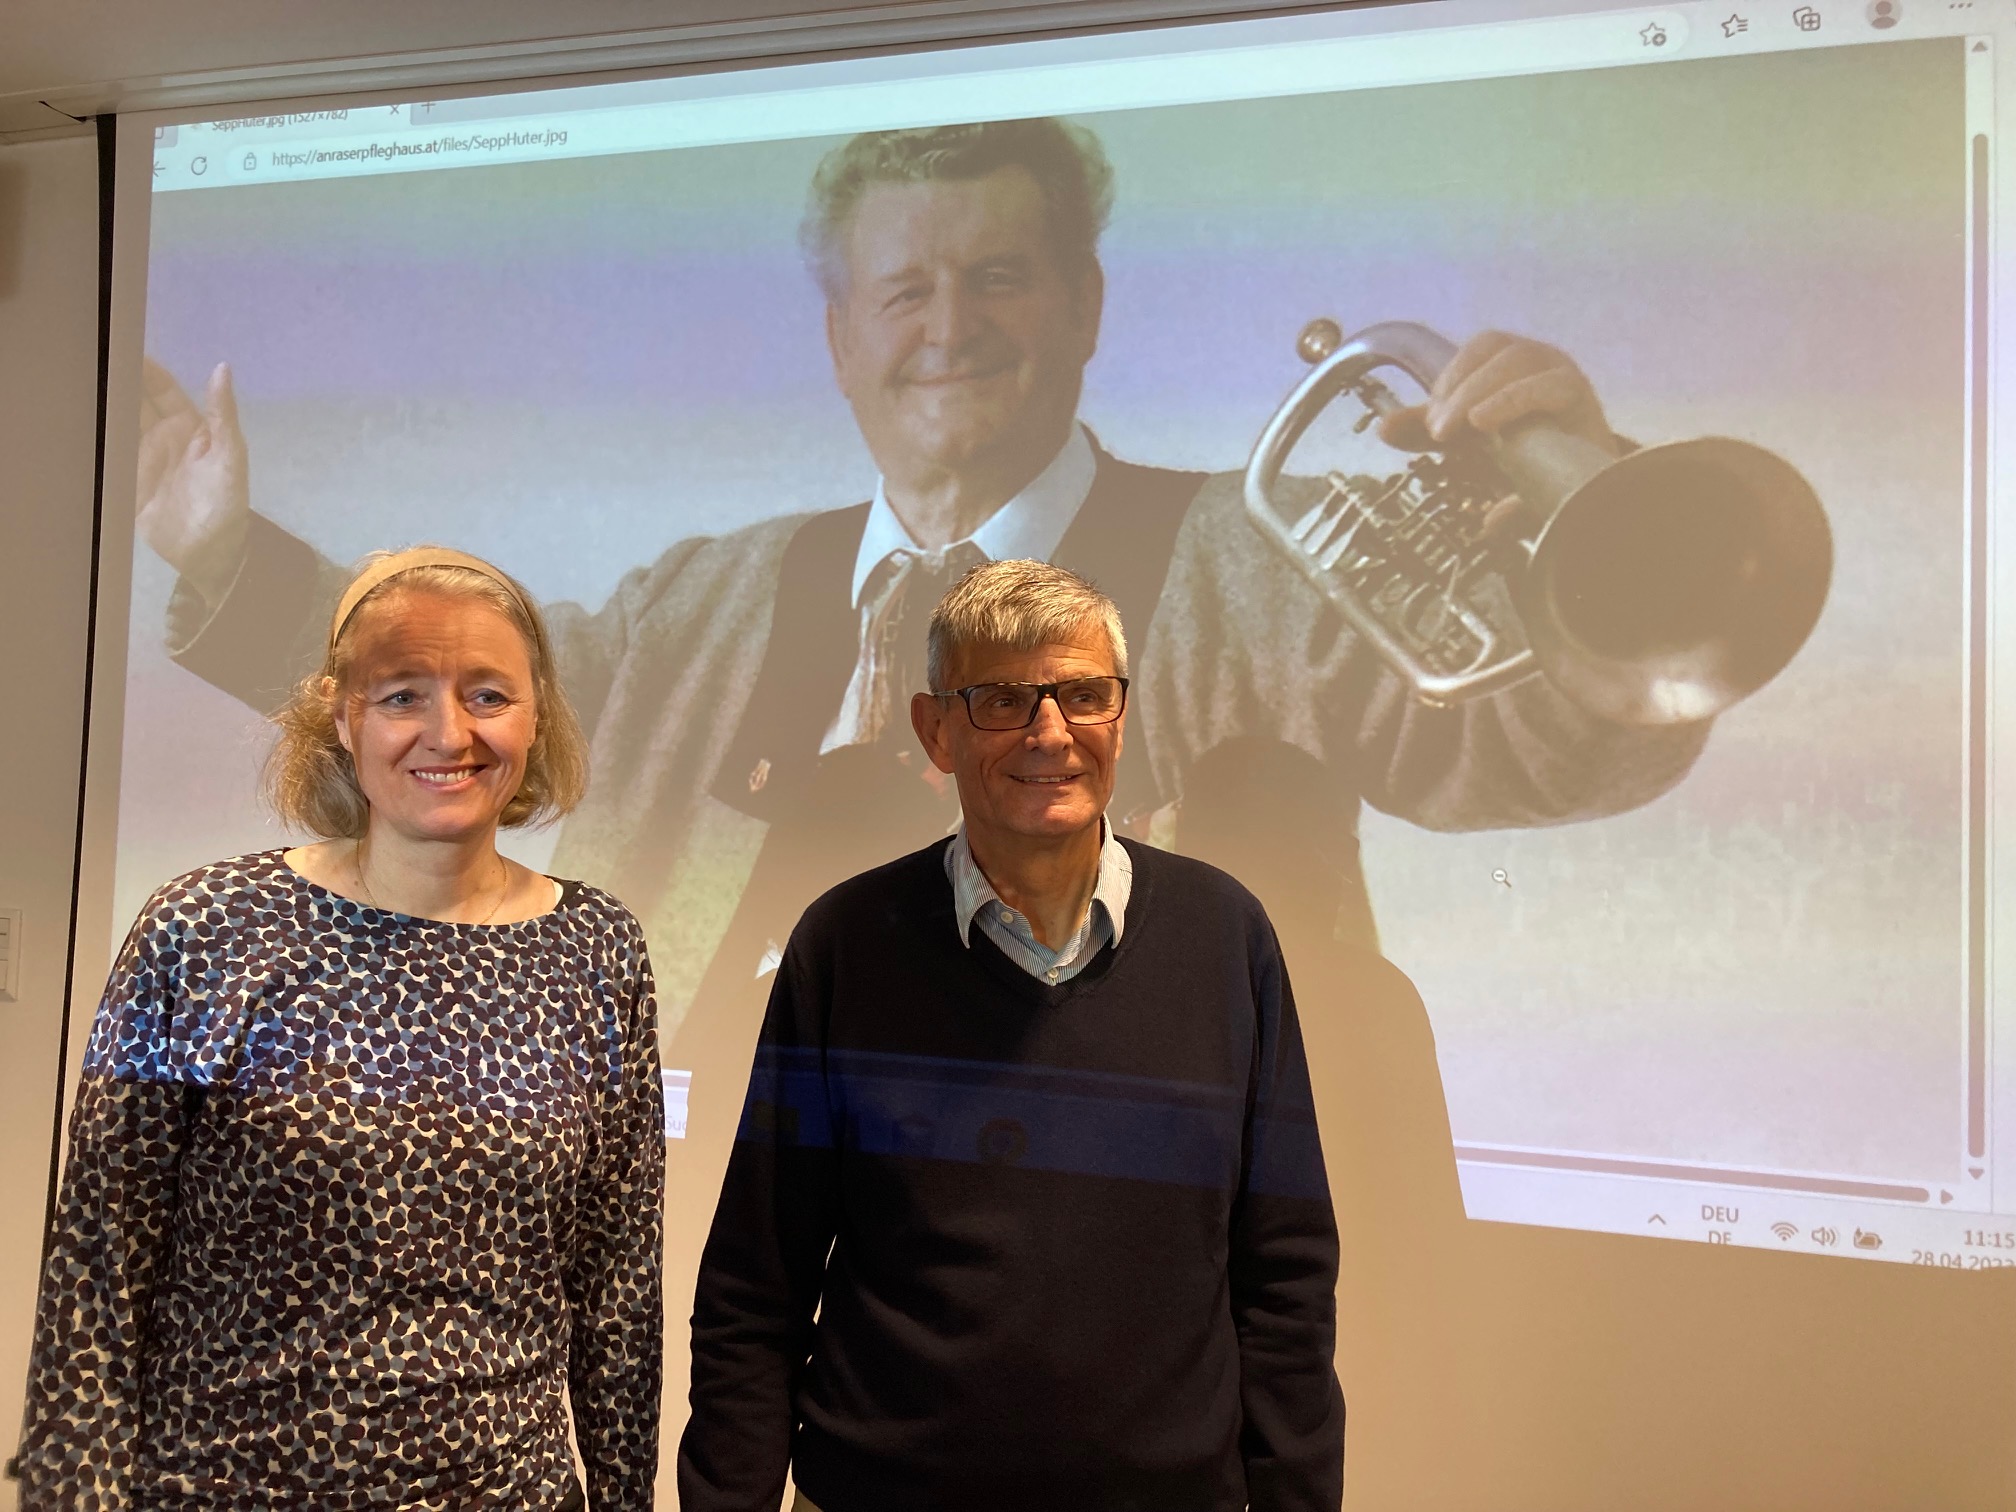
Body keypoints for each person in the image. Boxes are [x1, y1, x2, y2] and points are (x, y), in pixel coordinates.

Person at [135, 117, 1706, 1172]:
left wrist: (1592, 518)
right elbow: (478, 711)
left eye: (999, 276)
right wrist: (227, 556)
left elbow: (1545, 744)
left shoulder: (1259, 559)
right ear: (840, 339)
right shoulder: (715, 592)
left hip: (1089, 1326)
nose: (947, 323)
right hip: (720, 1280)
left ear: (1086, 307)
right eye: (903, 289)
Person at [680, 559, 1342, 1512]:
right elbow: (756, 1285)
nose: (1050, 732)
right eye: (1001, 699)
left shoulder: (1226, 936)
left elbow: (1285, 1278)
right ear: (934, 729)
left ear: (1121, 714)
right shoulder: (846, 945)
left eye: (1084, 695)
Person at [15, 548, 665, 1510]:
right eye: (403, 694)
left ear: (538, 715)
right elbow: (97, 1275)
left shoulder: (599, 950)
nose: (450, 733)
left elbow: (618, 1289)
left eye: (488, 694)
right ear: (341, 715)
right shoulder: (203, 930)